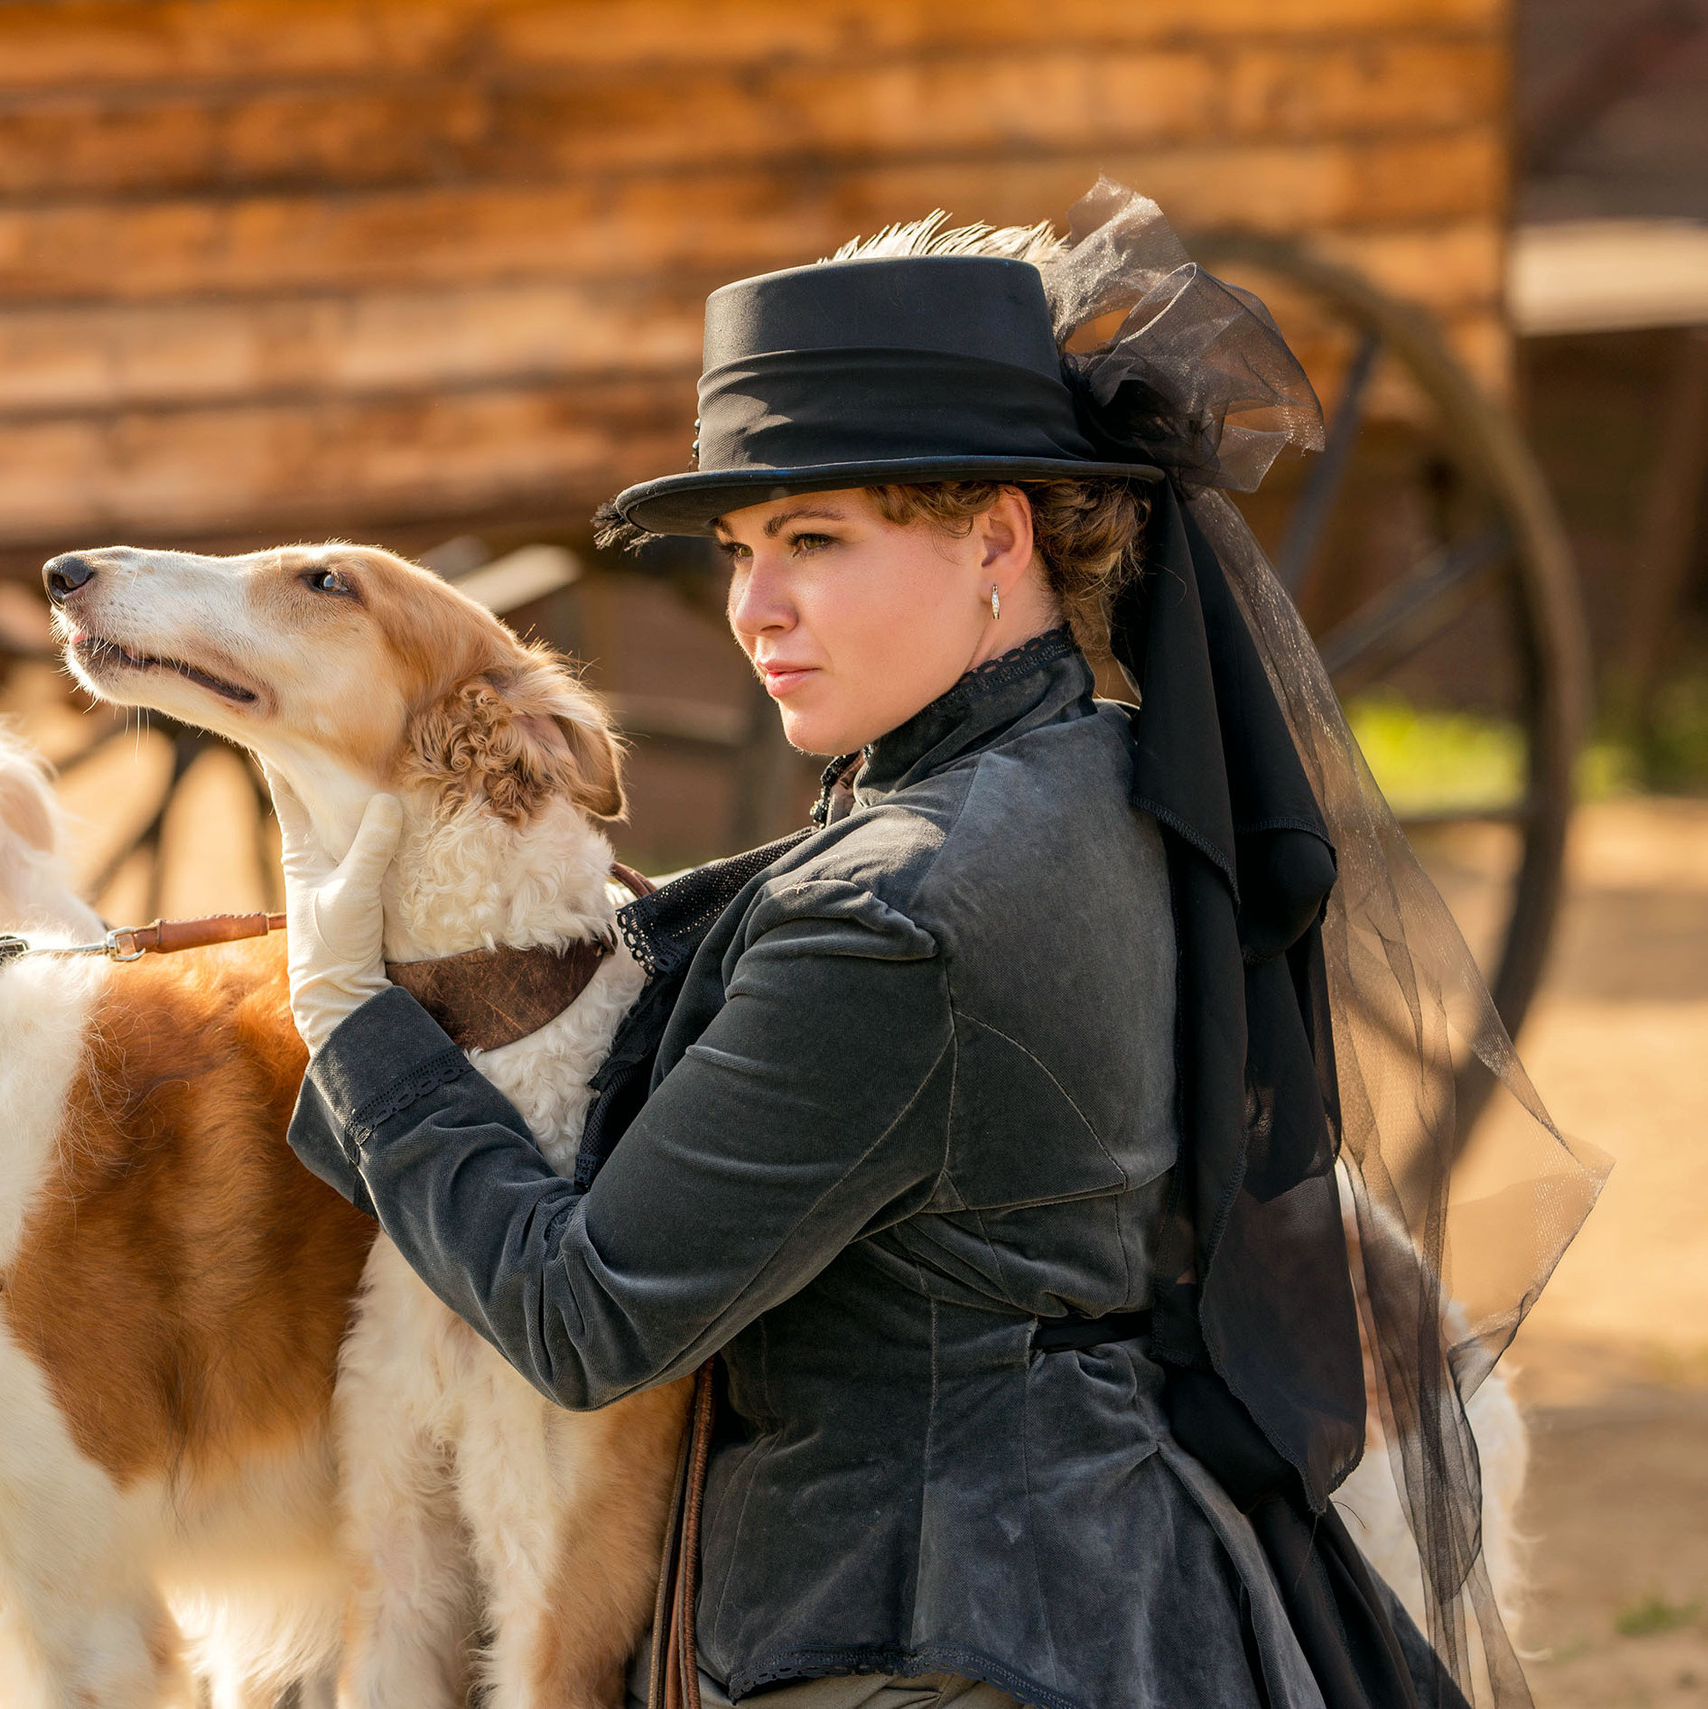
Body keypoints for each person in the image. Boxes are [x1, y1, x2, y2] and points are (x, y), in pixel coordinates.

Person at [273, 182, 1604, 1709]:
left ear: (996, 537)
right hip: (1118, 1593)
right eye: (739, 550)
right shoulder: (1109, 772)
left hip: (916, 1648)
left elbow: (587, 1318)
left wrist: (355, 1019)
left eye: (816, 541)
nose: (756, 607)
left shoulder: (899, 910)